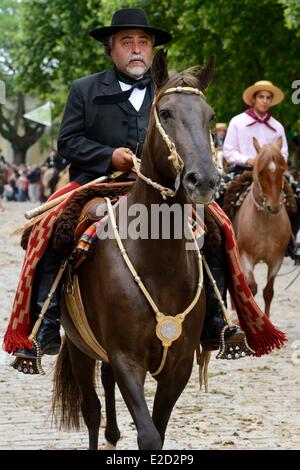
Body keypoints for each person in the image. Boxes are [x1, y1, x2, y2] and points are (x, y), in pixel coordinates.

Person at [9, 8, 247, 366]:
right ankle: (44, 324)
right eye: (127, 42)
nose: (136, 49)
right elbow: (67, 141)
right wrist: (109, 155)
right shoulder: (84, 89)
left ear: (152, 50)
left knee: (216, 229)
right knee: (51, 228)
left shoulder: (173, 91)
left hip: (164, 188)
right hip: (98, 182)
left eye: (143, 42)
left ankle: (216, 320)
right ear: (111, 49)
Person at [223, 80, 300, 261]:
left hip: (272, 173)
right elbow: (228, 151)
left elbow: (284, 153)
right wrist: (248, 159)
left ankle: (291, 242)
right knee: (220, 194)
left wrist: (275, 162)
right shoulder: (238, 122)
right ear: (253, 99)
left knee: (297, 194)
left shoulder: (278, 126)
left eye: (268, 98)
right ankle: (220, 243)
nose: (265, 101)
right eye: (261, 97)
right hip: (243, 170)